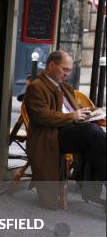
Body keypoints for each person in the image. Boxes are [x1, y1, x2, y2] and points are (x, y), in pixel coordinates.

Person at [23, 50, 106, 209]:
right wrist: (72, 117)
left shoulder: (64, 87)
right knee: (92, 133)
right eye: (65, 69)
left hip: (71, 130)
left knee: (96, 138)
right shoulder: (36, 87)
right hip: (51, 135)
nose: (67, 74)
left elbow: (77, 108)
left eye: (69, 70)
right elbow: (42, 116)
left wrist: (94, 112)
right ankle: (90, 185)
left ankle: (91, 184)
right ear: (52, 65)